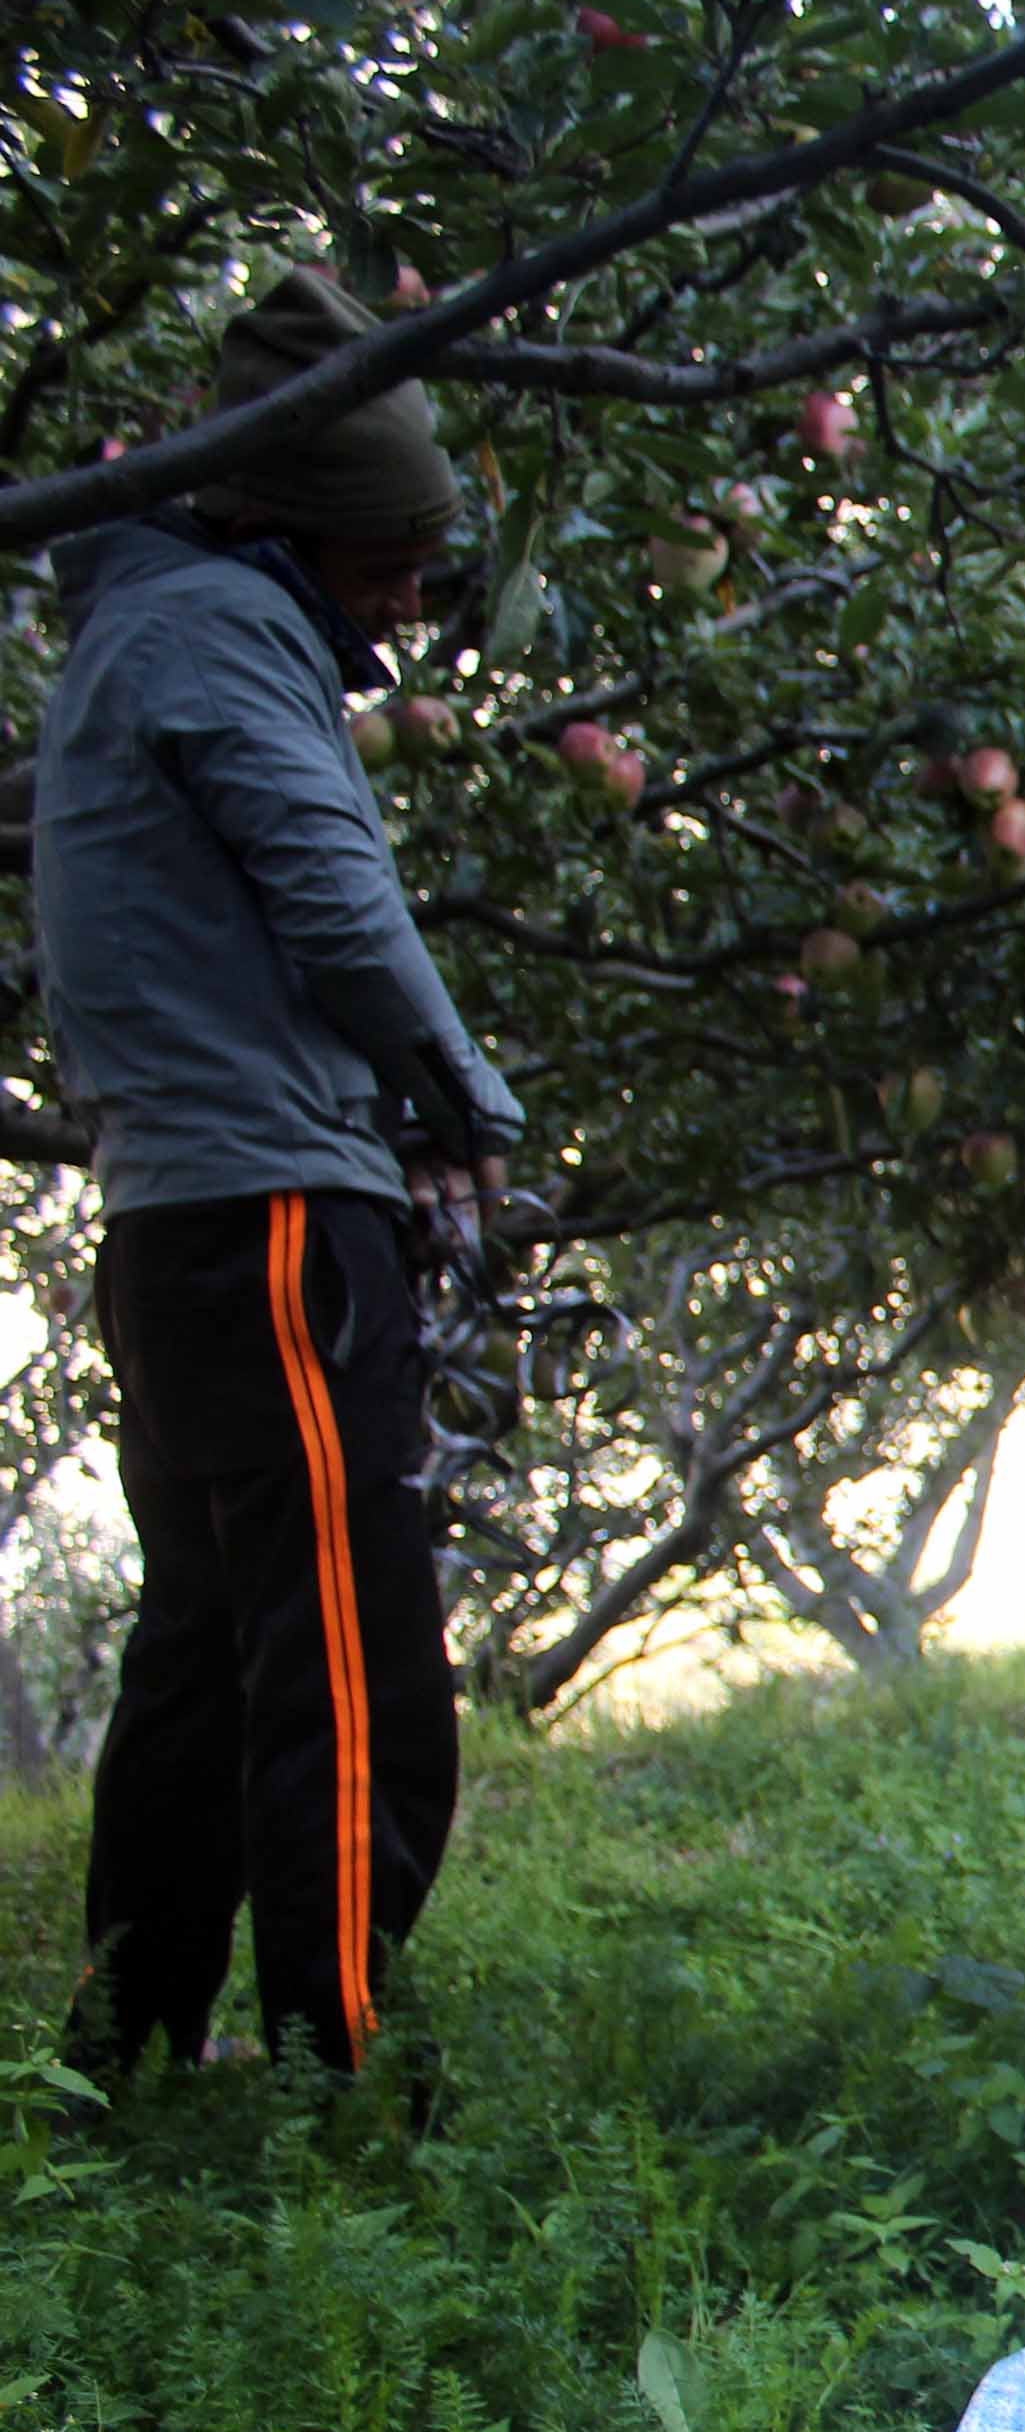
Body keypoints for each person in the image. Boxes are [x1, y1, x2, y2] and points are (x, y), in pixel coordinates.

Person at [39, 265, 523, 2083]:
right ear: (292, 530)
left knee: (205, 1637)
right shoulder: (223, 641)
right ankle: (349, 2054)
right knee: (347, 1652)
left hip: (175, 1216)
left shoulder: (138, 630)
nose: (405, 606)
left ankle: (131, 2042)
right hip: (266, 1223)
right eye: (391, 563)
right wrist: (465, 1104)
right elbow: (334, 892)